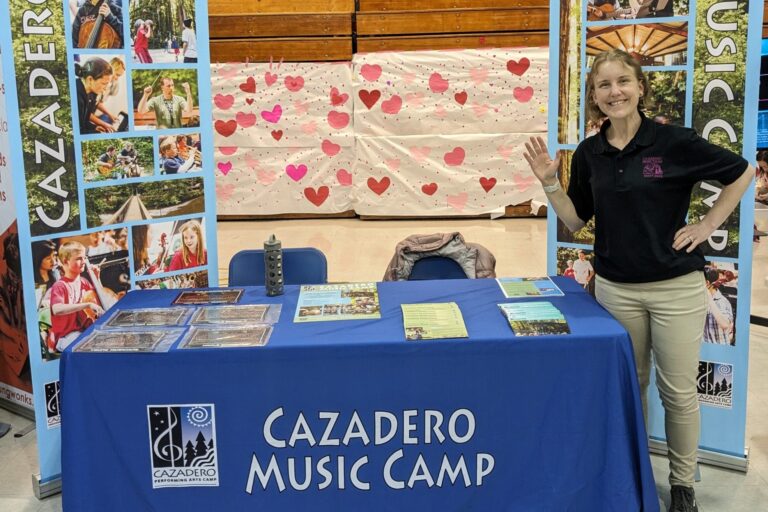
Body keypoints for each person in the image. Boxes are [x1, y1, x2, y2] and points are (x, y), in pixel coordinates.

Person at [523, 49, 753, 512]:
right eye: (603, 86)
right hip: (615, 290)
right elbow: (574, 221)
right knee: (633, 385)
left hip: (676, 288)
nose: (615, 92)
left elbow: (742, 171)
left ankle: (683, 484)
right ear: (594, 96)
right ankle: (637, 474)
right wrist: (549, 183)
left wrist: (707, 226)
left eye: (623, 82)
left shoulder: (674, 143)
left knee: (678, 391)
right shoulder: (591, 153)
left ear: (641, 86)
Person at [49, 242, 103, 352]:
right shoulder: (60, 286)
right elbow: (56, 309)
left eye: (84, 258)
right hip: (66, 337)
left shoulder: (84, 282)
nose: (84, 262)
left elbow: (100, 302)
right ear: (65, 261)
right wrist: (86, 305)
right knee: (88, 349)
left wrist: (97, 279)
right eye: (79, 258)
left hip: (86, 332)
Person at [75, 58, 114, 134]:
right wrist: (97, 133)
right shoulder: (77, 97)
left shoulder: (90, 94)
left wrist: (94, 127)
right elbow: (78, 131)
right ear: (90, 79)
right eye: (104, 83)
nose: (106, 88)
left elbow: (84, 122)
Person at [703, 269, 734, 345]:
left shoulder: (722, 302)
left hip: (719, 349)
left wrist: (710, 299)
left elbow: (725, 325)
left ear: (707, 283)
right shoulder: (700, 299)